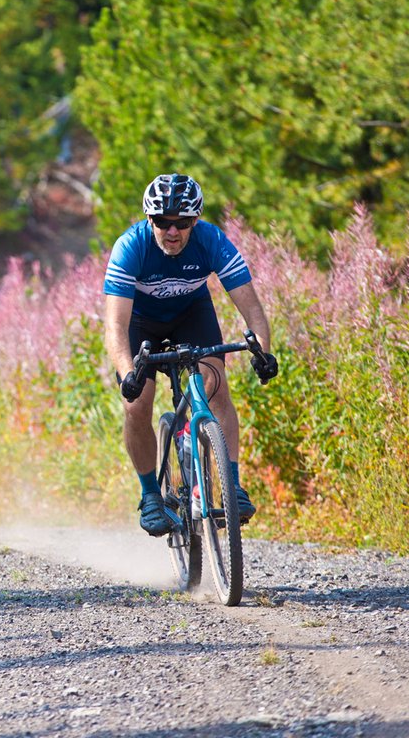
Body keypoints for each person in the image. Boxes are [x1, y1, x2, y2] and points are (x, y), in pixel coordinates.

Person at [102, 173, 278, 536]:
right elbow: (115, 326)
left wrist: (263, 352)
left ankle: (231, 486)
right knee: (137, 404)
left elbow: (252, 308)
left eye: (182, 223)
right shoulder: (130, 247)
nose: (172, 231)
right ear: (148, 219)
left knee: (216, 386)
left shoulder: (211, 240)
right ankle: (151, 495)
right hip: (140, 324)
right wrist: (128, 373)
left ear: (195, 221)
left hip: (190, 314)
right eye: (162, 222)